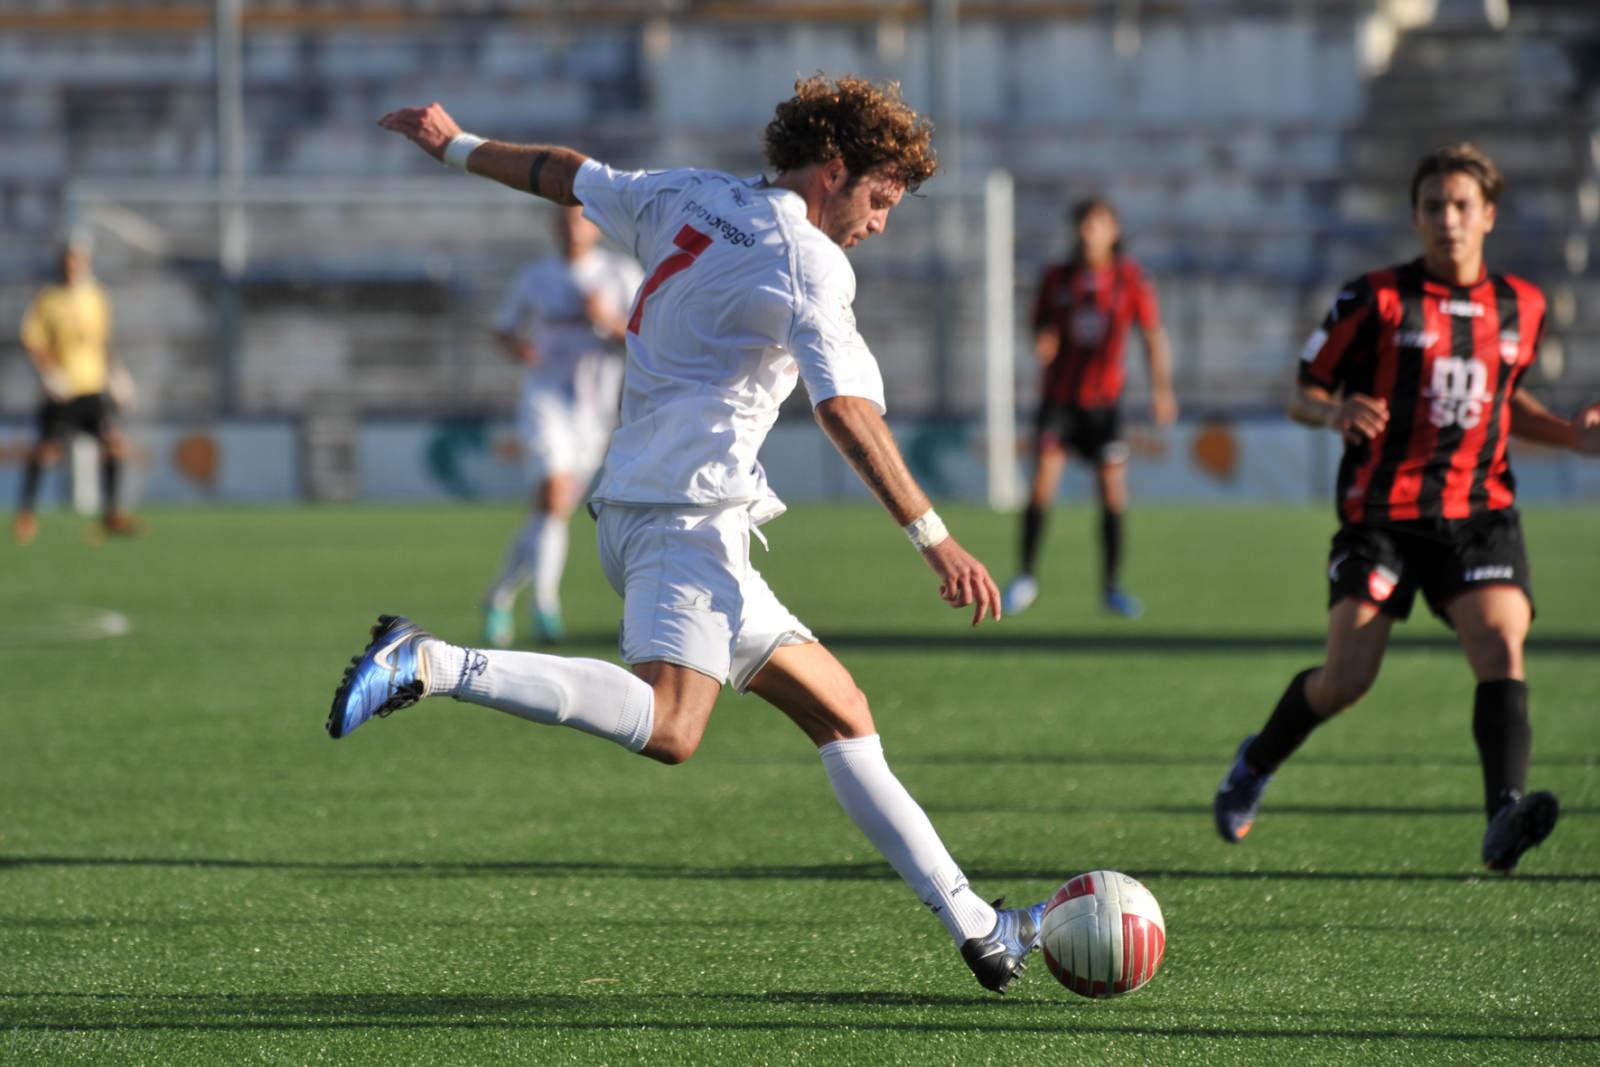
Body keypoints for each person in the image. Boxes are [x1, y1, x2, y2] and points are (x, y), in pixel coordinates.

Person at [333, 76, 1045, 993]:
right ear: (835, 170)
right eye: (880, 199)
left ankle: (980, 928)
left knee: (842, 710)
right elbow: (847, 410)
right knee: (671, 725)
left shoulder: (689, 193)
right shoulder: (812, 263)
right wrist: (934, 536)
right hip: (686, 515)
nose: (878, 224)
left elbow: (564, 173)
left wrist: (457, 145)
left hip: (665, 507)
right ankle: (431, 661)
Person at [1212, 143, 1600, 873]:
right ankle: (1255, 762)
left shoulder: (1523, 305)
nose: (1447, 220)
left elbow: (1503, 400)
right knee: (1345, 681)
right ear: (1416, 216)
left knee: (1500, 642)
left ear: (1488, 214)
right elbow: (1302, 392)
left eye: (1461, 206)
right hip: (1380, 517)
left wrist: (1569, 436)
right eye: (1433, 206)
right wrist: (1334, 414)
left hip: (1478, 512)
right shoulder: (1376, 300)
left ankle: (1503, 813)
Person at [1001, 198, 1176, 620]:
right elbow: (1039, 324)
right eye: (1082, 224)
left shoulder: (1130, 280)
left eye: (1096, 224)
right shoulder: (1057, 278)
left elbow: (1151, 334)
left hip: (1104, 405)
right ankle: (1025, 576)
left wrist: (1162, 390)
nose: (1087, 232)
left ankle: (1112, 586)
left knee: (1113, 492)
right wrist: (1043, 340)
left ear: (1113, 230)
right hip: (1058, 401)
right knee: (1042, 482)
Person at [481, 205, 642, 647]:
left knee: (549, 514)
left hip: (594, 409)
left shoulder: (620, 273)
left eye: (580, 221)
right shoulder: (537, 276)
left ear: (596, 227)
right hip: (545, 399)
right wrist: (520, 349)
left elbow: (646, 338)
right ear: (554, 227)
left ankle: (498, 596)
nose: (572, 230)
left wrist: (606, 320)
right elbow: (503, 329)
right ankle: (545, 607)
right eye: (565, 221)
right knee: (552, 496)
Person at [13, 242, 138, 545]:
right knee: (46, 450)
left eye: (77, 262)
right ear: (61, 265)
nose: (72, 268)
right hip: (63, 391)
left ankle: (111, 512)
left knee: (114, 444)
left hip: (93, 387)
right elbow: (33, 339)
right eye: (68, 262)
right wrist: (49, 374)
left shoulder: (97, 296)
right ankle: (26, 513)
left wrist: (118, 373)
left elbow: (105, 340)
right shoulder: (49, 298)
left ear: (84, 264)